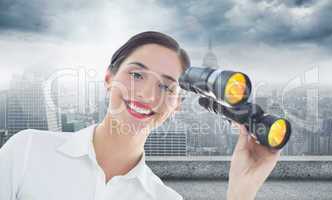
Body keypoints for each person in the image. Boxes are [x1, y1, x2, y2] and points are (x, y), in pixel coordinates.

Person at [0, 31, 280, 200]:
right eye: (136, 75)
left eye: (165, 86)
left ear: (177, 104)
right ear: (109, 78)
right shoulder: (27, 151)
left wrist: (240, 194)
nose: (147, 95)